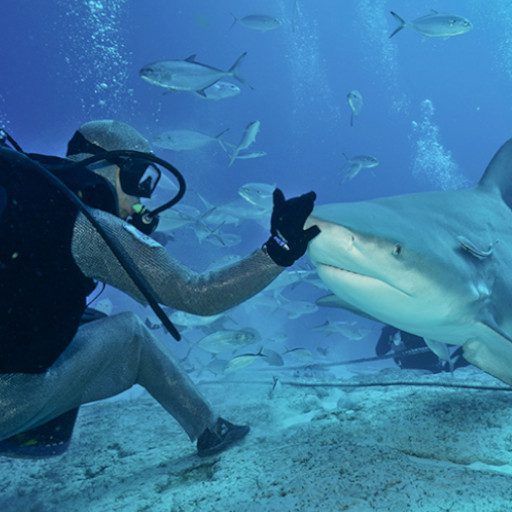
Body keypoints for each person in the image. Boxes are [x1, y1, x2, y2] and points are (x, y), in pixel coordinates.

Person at [0, 120, 320, 458]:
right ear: (113, 167)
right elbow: (199, 294)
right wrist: (279, 249)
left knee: (87, 318)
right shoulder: (87, 224)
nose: (140, 198)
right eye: (140, 179)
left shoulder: (22, 188)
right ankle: (210, 429)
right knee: (131, 335)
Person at [376, 325, 469, 373]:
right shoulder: (394, 327)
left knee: (473, 343)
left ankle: (449, 367)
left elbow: (455, 342)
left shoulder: (431, 324)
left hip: (436, 368)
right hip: (408, 369)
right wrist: (388, 332)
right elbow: (380, 351)